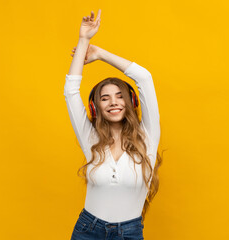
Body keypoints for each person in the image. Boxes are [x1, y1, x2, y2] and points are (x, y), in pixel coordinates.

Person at [64, 9, 162, 240]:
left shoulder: (148, 136)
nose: (113, 102)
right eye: (104, 98)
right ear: (96, 108)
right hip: (88, 230)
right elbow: (70, 92)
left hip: (129, 232)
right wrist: (84, 39)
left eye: (119, 96)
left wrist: (99, 53)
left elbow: (144, 78)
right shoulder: (90, 138)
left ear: (131, 102)